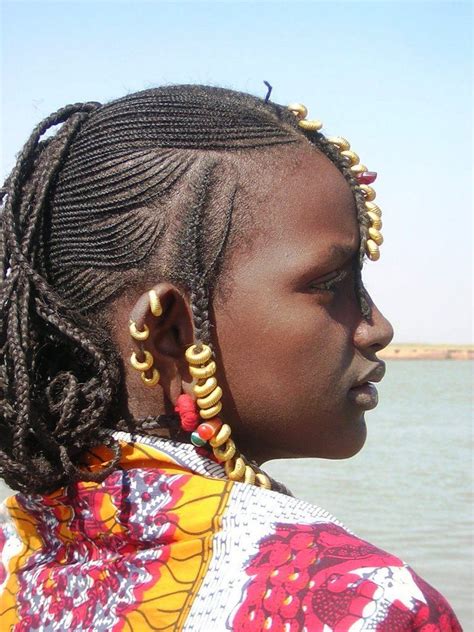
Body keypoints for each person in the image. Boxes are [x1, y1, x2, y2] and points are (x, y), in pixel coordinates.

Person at [0, 85, 461, 631]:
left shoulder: (18, 554)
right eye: (330, 283)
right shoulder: (360, 604)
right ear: (171, 334)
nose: (377, 328)